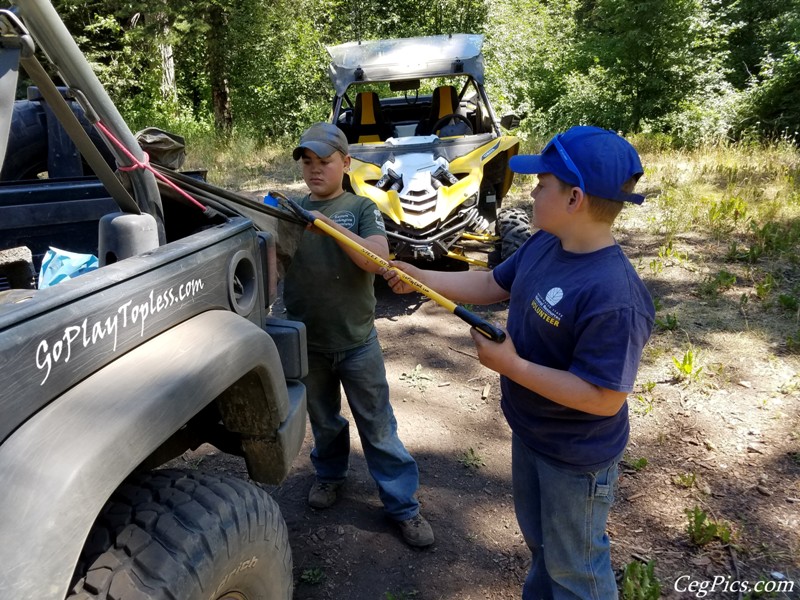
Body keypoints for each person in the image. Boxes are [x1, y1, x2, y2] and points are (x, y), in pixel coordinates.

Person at [383, 126, 655, 597]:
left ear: (574, 198)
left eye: (541, 183)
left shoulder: (615, 297)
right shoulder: (546, 243)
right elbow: (492, 285)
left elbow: (605, 398)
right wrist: (418, 274)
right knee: (544, 548)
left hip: (575, 458)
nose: (532, 190)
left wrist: (513, 367)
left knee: (578, 568)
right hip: (531, 433)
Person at [282, 122, 434, 548]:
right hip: (308, 342)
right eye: (307, 163)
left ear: (345, 163)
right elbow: (273, 262)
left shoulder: (361, 208)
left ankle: (403, 505)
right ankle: (330, 476)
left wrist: (325, 226)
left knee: (378, 425)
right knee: (324, 420)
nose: (314, 170)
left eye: (324, 162)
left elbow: (376, 260)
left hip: (357, 343)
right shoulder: (291, 212)